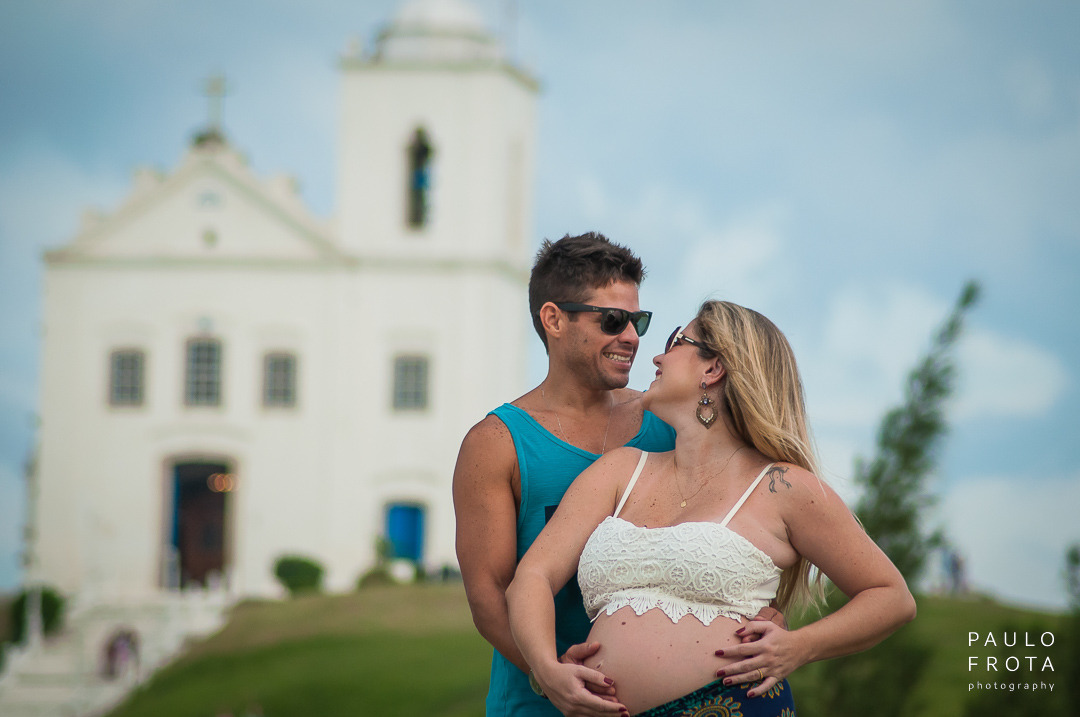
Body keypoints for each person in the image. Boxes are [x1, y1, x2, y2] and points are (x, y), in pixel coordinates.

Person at [506, 300, 917, 716]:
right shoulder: (618, 469)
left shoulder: (783, 485)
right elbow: (532, 577)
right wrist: (545, 669)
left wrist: (799, 647)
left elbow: (891, 597)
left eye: (675, 341)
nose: (657, 355)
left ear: (713, 367)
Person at [453, 235, 781, 716]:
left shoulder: (670, 422)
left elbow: (755, 521)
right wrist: (550, 675)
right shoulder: (496, 443)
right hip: (535, 705)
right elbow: (487, 596)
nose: (632, 337)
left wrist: (772, 615)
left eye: (638, 321)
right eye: (612, 320)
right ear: (554, 319)